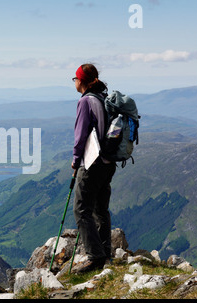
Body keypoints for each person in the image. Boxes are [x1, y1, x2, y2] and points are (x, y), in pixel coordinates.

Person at [70, 64, 116, 274]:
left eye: (76, 78)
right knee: (100, 209)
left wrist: (75, 160)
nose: (75, 82)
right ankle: (105, 253)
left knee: (81, 210)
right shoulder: (103, 99)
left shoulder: (86, 101)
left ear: (82, 81)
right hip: (108, 162)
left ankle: (95, 257)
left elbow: (80, 136)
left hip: (92, 163)